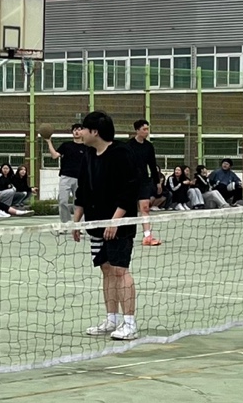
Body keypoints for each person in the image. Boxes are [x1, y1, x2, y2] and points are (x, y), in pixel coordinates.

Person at [73, 110, 141, 340]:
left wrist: (115, 221)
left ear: (95, 131)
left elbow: (130, 190)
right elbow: (83, 190)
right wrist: (76, 222)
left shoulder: (122, 153)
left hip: (120, 224)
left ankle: (129, 323)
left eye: (83, 128)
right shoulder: (89, 155)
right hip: (96, 224)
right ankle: (111, 319)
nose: (79, 132)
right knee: (106, 269)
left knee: (120, 270)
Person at [127, 119, 162, 246]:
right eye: (144, 129)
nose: (146, 132)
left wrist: (157, 182)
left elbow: (152, 165)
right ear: (137, 130)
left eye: (147, 129)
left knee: (145, 208)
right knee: (127, 209)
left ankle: (147, 236)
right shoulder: (128, 146)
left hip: (144, 181)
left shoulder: (149, 146)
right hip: (130, 182)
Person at [47, 123, 86, 224]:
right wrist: (49, 141)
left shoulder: (87, 147)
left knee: (79, 203)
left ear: (83, 131)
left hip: (81, 178)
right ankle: (65, 223)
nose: (77, 131)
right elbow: (54, 156)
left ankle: (79, 224)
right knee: (62, 201)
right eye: (75, 130)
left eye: (79, 129)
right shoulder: (66, 145)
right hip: (66, 177)